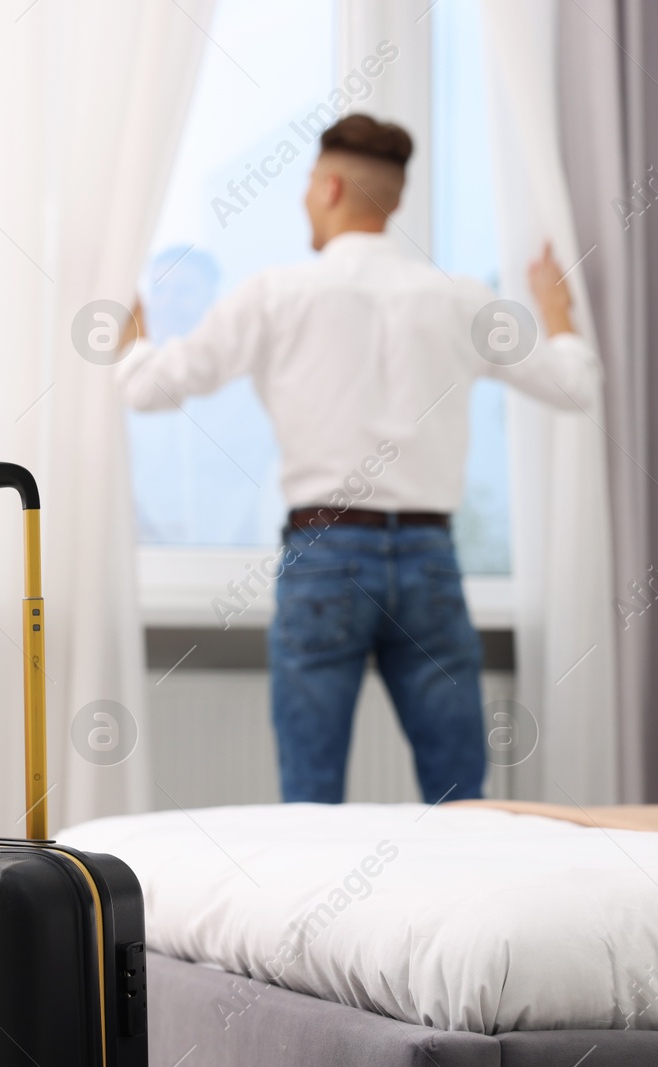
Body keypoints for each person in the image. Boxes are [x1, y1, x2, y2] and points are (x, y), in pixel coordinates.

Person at [115, 114, 600, 804]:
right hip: (429, 559)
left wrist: (134, 339)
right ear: (396, 200)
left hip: (324, 556)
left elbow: (149, 388)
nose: (304, 199)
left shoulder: (274, 294)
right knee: (462, 799)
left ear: (331, 186)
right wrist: (558, 317)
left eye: (309, 184)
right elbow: (573, 385)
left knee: (311, 803)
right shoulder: (458, 298)